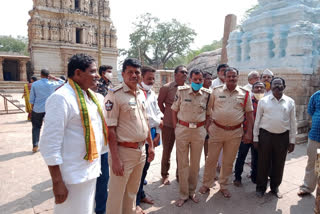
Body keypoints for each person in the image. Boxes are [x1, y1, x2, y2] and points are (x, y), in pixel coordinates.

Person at [40, 53, 108, 214]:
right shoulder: (61, 98)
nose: (97, 75)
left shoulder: (91, 96)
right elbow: (50, 144)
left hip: (90, 169)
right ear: (78, 73)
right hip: (72, 175)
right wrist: (57, 182)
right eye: (92, 71)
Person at [105, 58, 155, 214]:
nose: (134, 75)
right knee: (116, 195)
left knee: (132, 192)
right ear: (123, 74)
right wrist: (115, 159)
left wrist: (151, 146)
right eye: (130, 72)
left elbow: (145, 122)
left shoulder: (140, 94)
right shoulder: (115, 95)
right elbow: (110, 129)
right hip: (123, 153)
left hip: (140, 151)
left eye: (137, 72)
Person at [199, 67, 254, 198]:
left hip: (235, 132)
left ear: (238, 77)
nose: (231, 78)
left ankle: (223, 185)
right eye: (229, 76)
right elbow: (208, 110)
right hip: (216, 130)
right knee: (211, 159)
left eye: (234, 76)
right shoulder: (216, 91)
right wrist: (207, 127)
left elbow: (249, 114)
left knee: (228, 161)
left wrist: (249, 133)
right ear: (224, 77)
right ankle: (207, 183)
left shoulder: (245, 93)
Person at [171, 68, 213, 207]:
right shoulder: (181, 91)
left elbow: (209, 114)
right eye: (195, 79)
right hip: (182, 130)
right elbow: (174, 109)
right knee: (183, 163)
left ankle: (192, 192)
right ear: (190, 80)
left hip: (199, 132)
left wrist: (205, 129)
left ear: (203, 80)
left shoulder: (208, 94)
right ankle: (183, 194)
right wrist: (176, 127)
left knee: (195, 164)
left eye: (200, 80)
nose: (197, 82)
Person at [254, 77, 296, 198]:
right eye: (275, 85)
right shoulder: (263, 101)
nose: (277, 87)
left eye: (280, 85)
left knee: (279, 163)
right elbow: (257, 121)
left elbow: (293, 122)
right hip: (265, 135)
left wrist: (292, 140)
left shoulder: (290, 102)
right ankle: (260, 188)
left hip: (283, 137)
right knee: (263, 162)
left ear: (284, 86)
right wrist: (256, 138)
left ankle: (275, 187)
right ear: (270, 87)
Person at [136, 66, 163, 214]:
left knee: (145, 167)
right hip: (139, 136)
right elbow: (145, 115)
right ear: (141, 78)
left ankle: (141, 195)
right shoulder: (136, 93)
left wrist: (158, 131)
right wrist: (158, 122)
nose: (152, 81)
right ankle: (134, 201)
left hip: (151, 134)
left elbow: (157, 111)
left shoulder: (151, 93)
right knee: (137, 170)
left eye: (153, 78)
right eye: (149, 79)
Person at [158, 65, 188, 185]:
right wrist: (167, 114)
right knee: (167, 151)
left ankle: (180, 175)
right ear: (175, 75)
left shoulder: (188, 89)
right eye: (182, 72)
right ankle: (164, 175)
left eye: (186, 72)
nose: (185, 74)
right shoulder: (166, 88)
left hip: (183, 125)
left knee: (181, 152)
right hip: (169, 125)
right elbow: (160, 103)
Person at [233, 81, 265, 187]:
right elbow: (240, 117)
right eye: (257, 87)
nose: (259, 89)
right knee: (241, 156)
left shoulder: (266, 103)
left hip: (260, 136)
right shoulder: (247, 101)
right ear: (252, 90)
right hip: (246, 134)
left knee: (257, 158)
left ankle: (254, 177)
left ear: (264, 90)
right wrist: (245, 133)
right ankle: (237, 178)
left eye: (261, 87)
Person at [93, 66, 113, 214]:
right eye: (108, 71)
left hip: (104, 141)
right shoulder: (97, 87)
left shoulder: (108, 88)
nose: (111, 73)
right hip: (91, 141)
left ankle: (101, 209)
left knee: (103, 178)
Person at [29, 69, 64, 152]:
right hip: (49, 109)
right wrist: (53, 77)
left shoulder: (35, 84)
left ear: (41, 75)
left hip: (37, 109)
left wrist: (32, 109)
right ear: (48, 75)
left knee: (36, 127)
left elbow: (32, 98)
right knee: (50, 127)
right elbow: (63, 82)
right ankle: (50, 145)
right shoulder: (52, 83)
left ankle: (35, 144)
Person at [298, 89, 320, 197]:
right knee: (313, 163)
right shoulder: (316, 95)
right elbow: (311, 111)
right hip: (315, 137)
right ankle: (307, 187)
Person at [202, 72, 213, 159]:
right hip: (200, 124)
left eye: (211, 79)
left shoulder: (213, 92)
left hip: (210, 124)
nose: (210, 81)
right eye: (207, 79)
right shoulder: (198, 92)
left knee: (209, 150)